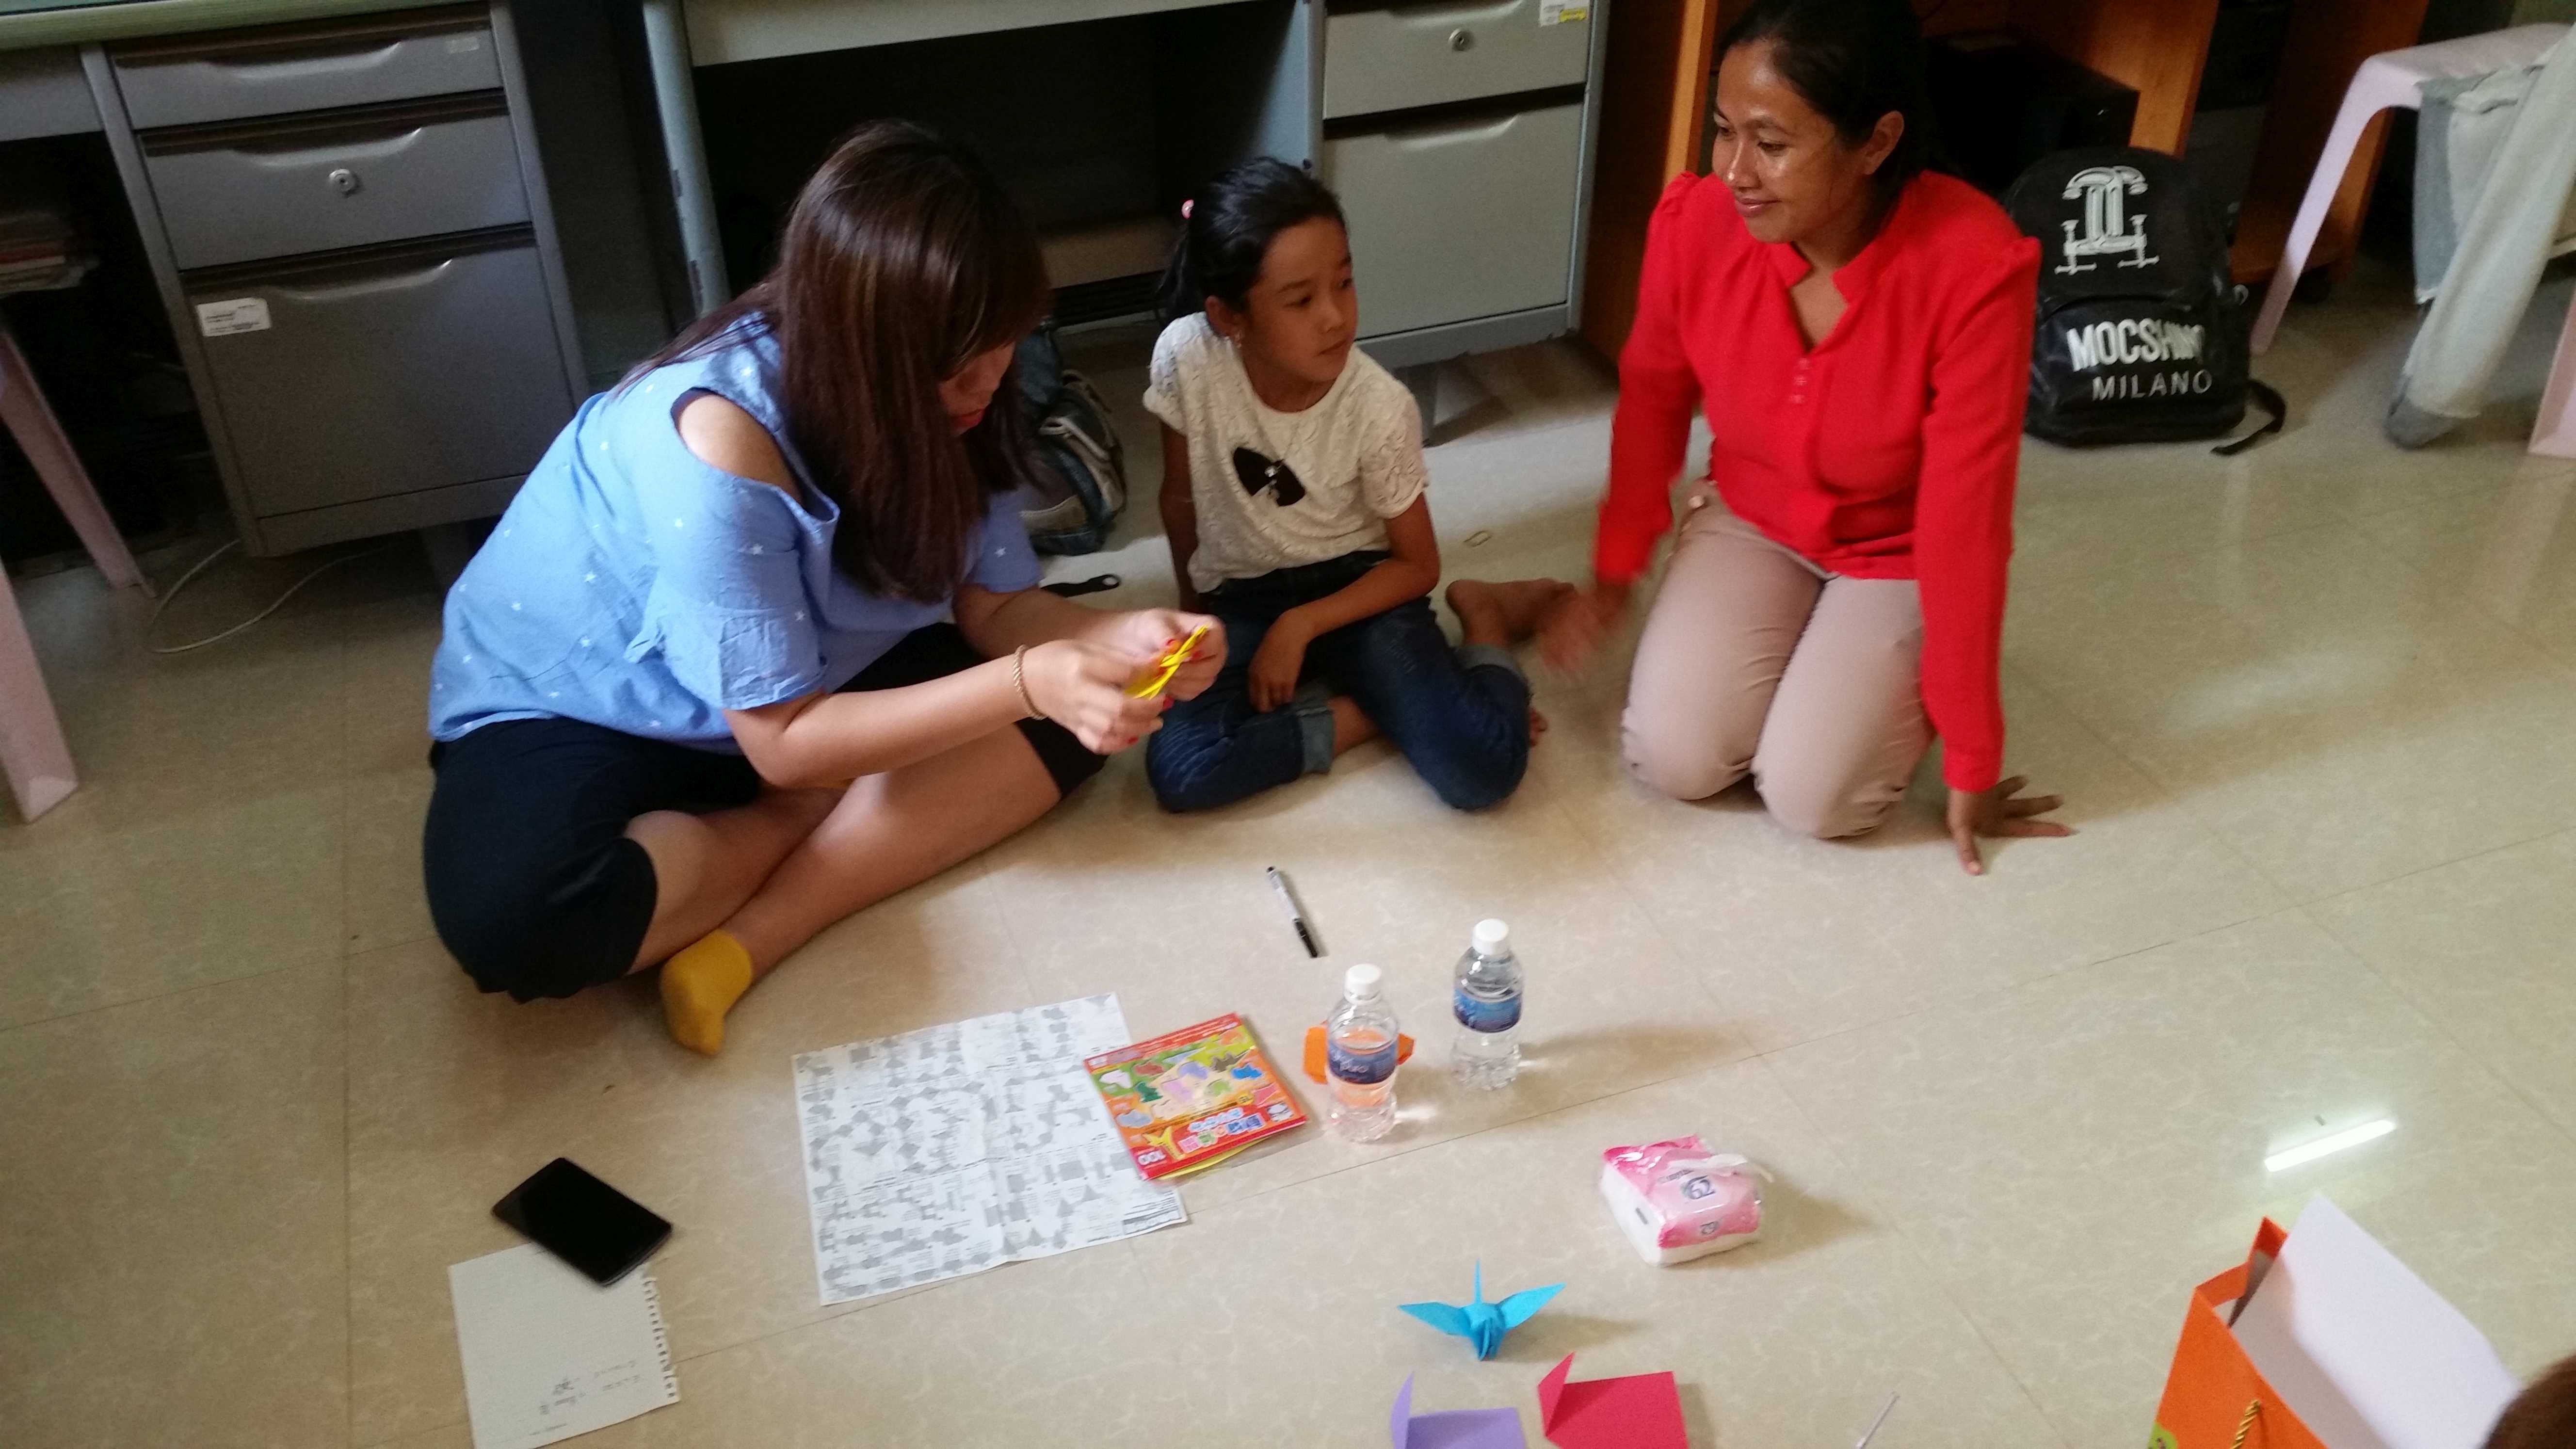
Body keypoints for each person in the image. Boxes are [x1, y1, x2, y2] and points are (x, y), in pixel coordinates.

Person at [421, 123, 1221, 1054]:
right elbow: (786, 742)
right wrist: (1024, 683)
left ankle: (750, 935)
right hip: (593, 699)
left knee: (1085, 712)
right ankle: (801, 822)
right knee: (516, 923)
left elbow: (993, 605)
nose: (986, 383)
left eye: (1003, 345)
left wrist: (1113, 642)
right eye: (953, 367)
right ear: (862, 356)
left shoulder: (972, 382)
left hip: (809, 674)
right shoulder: (717, 438)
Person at [1541, 0, 2069, 873]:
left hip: (1897, 549)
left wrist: (1973, 747)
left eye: (1771, 143)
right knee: (1673, 758)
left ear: (1876, 142)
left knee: (1816, 799)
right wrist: (1612, 573)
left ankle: (1861, 672)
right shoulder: (1697, 225)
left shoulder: (1974, 264)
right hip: (1752, 515)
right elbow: (1652, 402)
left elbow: (1966, 519)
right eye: (1723, 132)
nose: (1736, 172)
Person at [1143, 158, 1567, 813]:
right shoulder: (1185, 358)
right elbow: (1179, 498)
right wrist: (1192, 612)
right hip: (1243, 596)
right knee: (1183, 768)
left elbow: (1417, 564)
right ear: (1229, 317)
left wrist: (1300, 625)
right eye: (1301, 300)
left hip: (1361, 590)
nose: (1336, 317)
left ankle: (1484, 616)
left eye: (1345, 283)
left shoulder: (1377, 404)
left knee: (1483, 771)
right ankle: (1375, 710)